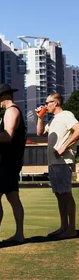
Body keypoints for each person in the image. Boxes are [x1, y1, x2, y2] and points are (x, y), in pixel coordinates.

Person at [0, 83, 26, 246]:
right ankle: (18, 234)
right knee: (12, 196)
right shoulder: (13, 111)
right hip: (11, 161)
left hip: (6, 162)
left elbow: (7, 136)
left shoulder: (11, 111)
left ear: (3, 96)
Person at [36, 92, 79, 238]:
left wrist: (64, 147)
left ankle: (71, 229)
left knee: (66, 194)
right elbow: (40, 132)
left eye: (48, 102)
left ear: (56, 103)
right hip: (53, 163)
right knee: (59, 195)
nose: (45, 105)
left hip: (63, 162)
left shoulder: (66, 114)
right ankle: (63, 227)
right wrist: (40, 118)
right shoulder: (53, 120)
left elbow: (78, 129)